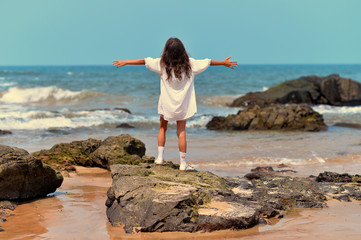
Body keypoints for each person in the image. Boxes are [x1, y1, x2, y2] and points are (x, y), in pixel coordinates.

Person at [113, 37, 237, 171]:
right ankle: (183, 164)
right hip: (183, 104)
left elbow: (144, 61)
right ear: (183, 51)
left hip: (166, 103)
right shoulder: (190, 65)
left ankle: (160, 158)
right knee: (181, 132)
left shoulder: (162, 65)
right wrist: (223, 63)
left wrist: (125, 62)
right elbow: (208, 62)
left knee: (162, 128)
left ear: (166, 51)